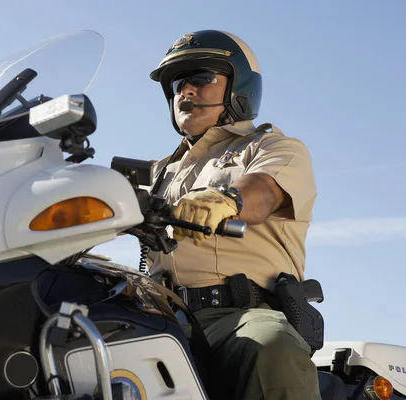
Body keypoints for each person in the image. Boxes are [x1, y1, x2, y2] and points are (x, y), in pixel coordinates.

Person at [146, 30, 321, 399]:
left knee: (272, 346)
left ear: (238, 88)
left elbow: (264, 191)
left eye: (201, 78)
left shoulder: (270, 146)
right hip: (161, 315)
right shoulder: (160, 172)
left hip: (234, 316)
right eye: (179, 82)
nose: (185, 91)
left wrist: (226, 199)